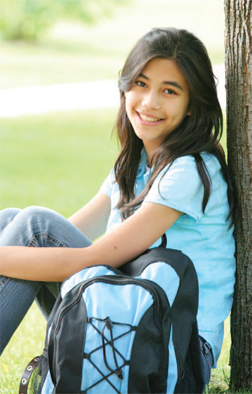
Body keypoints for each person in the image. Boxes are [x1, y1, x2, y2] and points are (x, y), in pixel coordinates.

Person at [0, 27, 236, 391]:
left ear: (192, 104)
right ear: (125, 87)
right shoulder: (137, 161)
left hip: (178, 349)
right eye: (140, 84)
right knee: (14, 221)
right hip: (132, 322)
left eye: (169, 91)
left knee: (31, 226)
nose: (149, 102)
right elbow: (62, 236)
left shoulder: (189, 171)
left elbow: (83, 256)